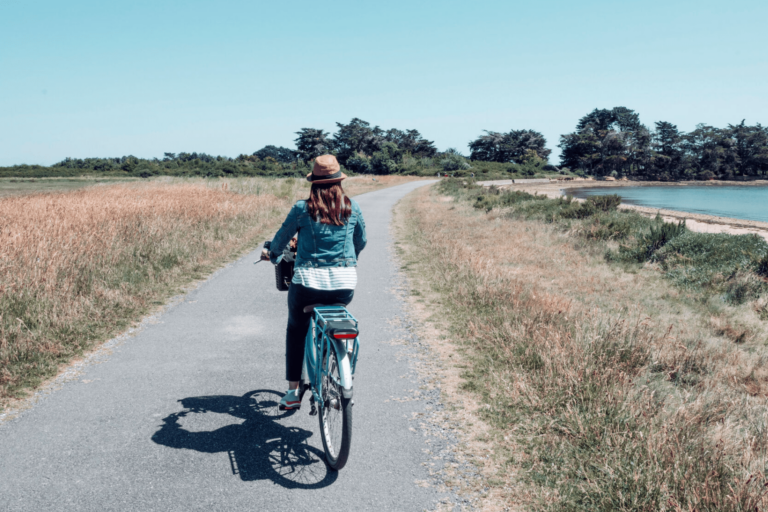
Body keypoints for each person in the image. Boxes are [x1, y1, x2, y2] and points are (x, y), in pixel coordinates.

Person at [261, 155, 367, 410]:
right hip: (344, 284)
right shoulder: (352, 208)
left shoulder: (302, 209)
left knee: (296, 329)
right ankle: (340, 370)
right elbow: (360, 241)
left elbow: (280, 239)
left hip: (308, 284)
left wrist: (272, 255)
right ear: (339, 182)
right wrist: (348, 261)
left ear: (314, 183)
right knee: (337, 316)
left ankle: (293, 392)